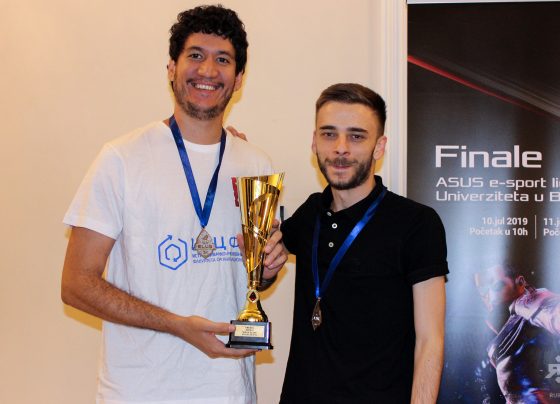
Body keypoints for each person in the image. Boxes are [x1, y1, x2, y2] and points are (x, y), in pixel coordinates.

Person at [61, 5, 286, 404]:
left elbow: (249, 281)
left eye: (223, 60)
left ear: (238, 79)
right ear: (171, 67)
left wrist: (266, 271)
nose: (208, 70)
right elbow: (76, 285)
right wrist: (176, 324)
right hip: (140, 392)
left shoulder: (257, 165)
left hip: (228, 391)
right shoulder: (121, 159)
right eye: (195, 55)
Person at [279, 83, 449, 403]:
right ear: (314, 141)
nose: (340, 148)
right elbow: (261, 273)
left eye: (356, 136)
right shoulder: (309, 213)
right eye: (329, 134)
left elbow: (430, 341)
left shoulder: (417, 223)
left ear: (379, 146)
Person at [474, 263, 560, 403]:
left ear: (520, 282)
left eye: (496, 286)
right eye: (483, 292)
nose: (489, 296)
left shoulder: (533, 302)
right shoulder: (497, 342)